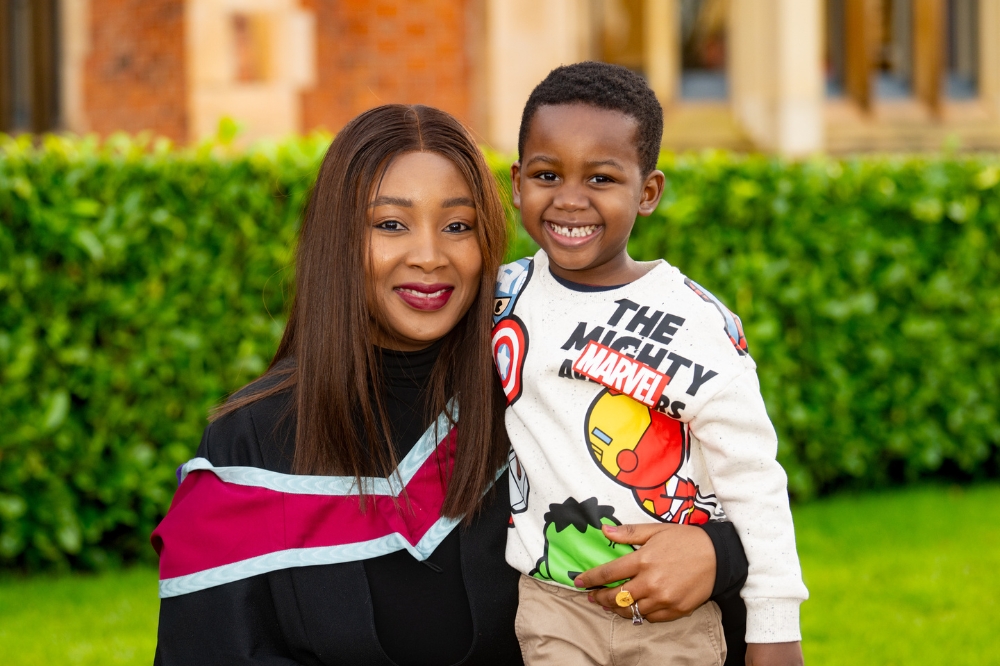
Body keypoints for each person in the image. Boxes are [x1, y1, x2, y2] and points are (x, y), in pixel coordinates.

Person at [152, 103, 749, 665]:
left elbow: (729, 518)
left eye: (458, 225)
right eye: (391, 223)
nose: (429, 255)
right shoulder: (251, 444)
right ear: (336, 241)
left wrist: (718, 555)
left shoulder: (542, 398)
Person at [494, 62, 809, 666]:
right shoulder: (503, 298)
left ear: (648, 192)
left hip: (674, 614)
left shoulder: (695, 322)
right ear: (516, 182)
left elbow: (754, 479)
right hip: (553, 603)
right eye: (546, 173)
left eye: (602, 178)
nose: (570, 198)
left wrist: (774, 628)